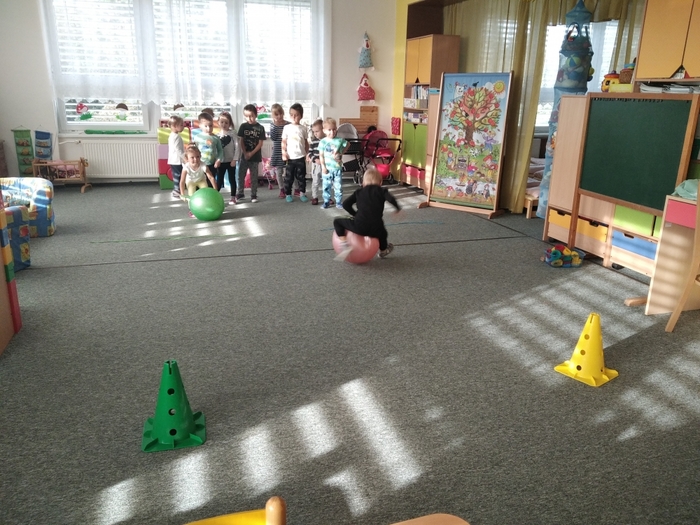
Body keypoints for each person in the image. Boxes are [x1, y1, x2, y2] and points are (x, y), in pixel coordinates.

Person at [333, 167, 400, 261]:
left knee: (337, 221)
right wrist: (397, 208)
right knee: (383, 233)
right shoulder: (382, 191)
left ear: (363, 183)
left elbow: (345, 204)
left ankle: (344, 243)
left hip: (359, 226)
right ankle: (383, 250)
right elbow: (391, 199)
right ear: (380, 183)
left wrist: (355, 214)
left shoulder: (358, 192)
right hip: (376, 229)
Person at [236, 104, 266, 203]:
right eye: (246, 116)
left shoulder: (260, 128)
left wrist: (251, 153)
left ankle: (253, 194)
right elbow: (241, 141)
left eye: (251, 116)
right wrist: (245, 153)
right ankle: (240, 192)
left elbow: (260, 143)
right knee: (241, 175)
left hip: (255, 157)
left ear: (256, 115)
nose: (249, 118)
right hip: (244, 156)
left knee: (254, 177)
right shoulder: (243, 126)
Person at [281, 103, 309, 202]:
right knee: (289, 177)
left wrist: (307, 154)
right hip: (290, 158)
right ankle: (288, 194)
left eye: (296, 115)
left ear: (301, 116)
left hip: (300, 157)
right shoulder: (287, 127)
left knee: (301, 177)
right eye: (291, 114)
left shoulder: (303, 128)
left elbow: (306, 142)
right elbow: (284, 142)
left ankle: (302, 193)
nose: (293, 117)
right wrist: (284, 153)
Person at [180, 144, 218, 217]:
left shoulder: (203, 165)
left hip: (201, 180)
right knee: (191, 196)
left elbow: (211, 178)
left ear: (200, 156)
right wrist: (182, 194)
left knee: (206, 194)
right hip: (191, 181)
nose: (195, 159)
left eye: (197, 157)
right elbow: (182, 181)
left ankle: (206, 207)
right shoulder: (186, 167)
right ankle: (192, 210)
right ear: (187, 158)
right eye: (192, 157)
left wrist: (215, 190)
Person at [318, 117, 348, 209]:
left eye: (334, 129)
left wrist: (342, 153)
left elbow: (348, 144)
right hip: (327, 169)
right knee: (326, 186)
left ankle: (338, 202)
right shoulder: (323, 142)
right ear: (324, 131)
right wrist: (323, 167)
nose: (332, 132)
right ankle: (326, 201)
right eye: (329, 130)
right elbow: (321, 155)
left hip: (337, 168)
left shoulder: (340, 140)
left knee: (338, 187)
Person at [193, 112, 223, 188]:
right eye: (206, 126)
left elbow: (220, 150)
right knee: (200, 182)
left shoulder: (216, 138)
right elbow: (194, 151)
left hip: (212, 165)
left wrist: (218, 160)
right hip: (200, 164)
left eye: (211, 125)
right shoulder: (197, 137)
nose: (209, 128)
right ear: (200, 125)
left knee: (210, 182)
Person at [217, 111, 238, 204]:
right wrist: (217, 160)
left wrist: (235, 159)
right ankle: (215, 197)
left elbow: (237, 147)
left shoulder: (233, 133)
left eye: (226, 122)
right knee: (219, 180)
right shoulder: (217, 136)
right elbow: (216, 150)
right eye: (222, 122)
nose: (224, 124)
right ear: (218, 122)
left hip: (231, 162)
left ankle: (233, 197)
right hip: (221, 162)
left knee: (232, 179)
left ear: (230, 124)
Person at [268, 104, 289, 199]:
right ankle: (282, 189)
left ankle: (293, 188)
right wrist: (275, 125)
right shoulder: (273, 125)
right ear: (273, 116)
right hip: (277, 151)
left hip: (287, 150)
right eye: (276, 114)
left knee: (290, 171)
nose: (279, 116)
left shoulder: (288, 124)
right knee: (279, 172)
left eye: (280, 113)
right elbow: (273, 137)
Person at [167, 115, 186, 199]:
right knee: (178, 175)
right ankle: (176, 190)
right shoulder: (176, 137)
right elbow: (178, 150)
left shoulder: (172, 135)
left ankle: (177, 190)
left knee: (176, 175)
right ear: (174, 126)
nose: (183, 126)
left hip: (174, 160)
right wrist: (185, 159)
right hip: (177, 160)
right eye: (181, 125)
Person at [307, 119, 324, 205]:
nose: (315, 133)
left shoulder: (327, 141)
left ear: (323, 130)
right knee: (315, 181)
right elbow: (310, 153)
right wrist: (315, 159)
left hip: (325, 165)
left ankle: (327, 197)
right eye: (314, 132)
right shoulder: (313, 142)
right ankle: (315, 197)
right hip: (316, 165)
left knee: (327, 182)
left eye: (317, 131)